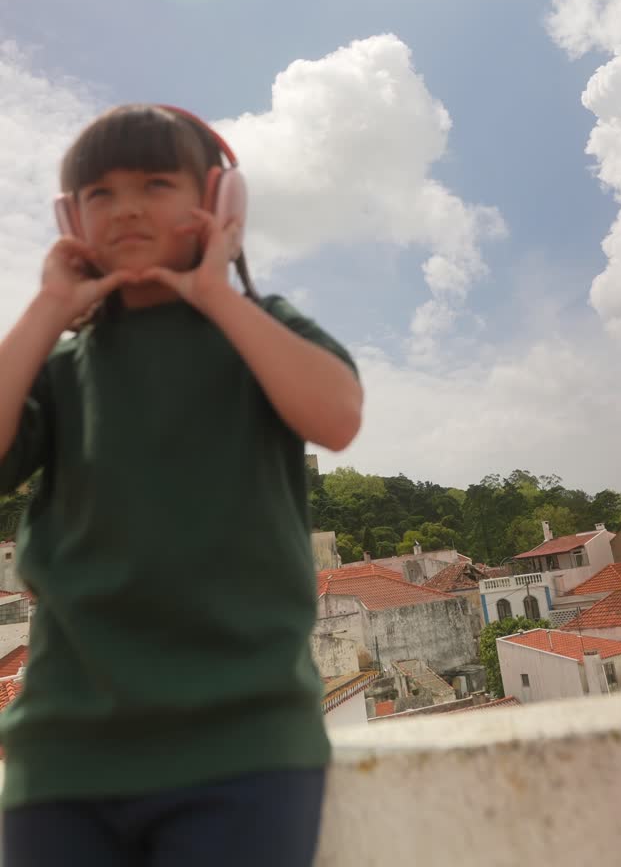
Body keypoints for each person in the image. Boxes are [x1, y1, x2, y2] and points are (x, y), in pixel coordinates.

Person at [0, 103, 363, 866]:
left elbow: (337, 417)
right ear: (71, 218)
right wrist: (48, 307)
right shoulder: (63, 371)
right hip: (63, 755)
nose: (126, 205)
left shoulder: (258, 330)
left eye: (155, 182)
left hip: (245, 740)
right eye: (99, 193)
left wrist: (215, 291)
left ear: (218, 200)